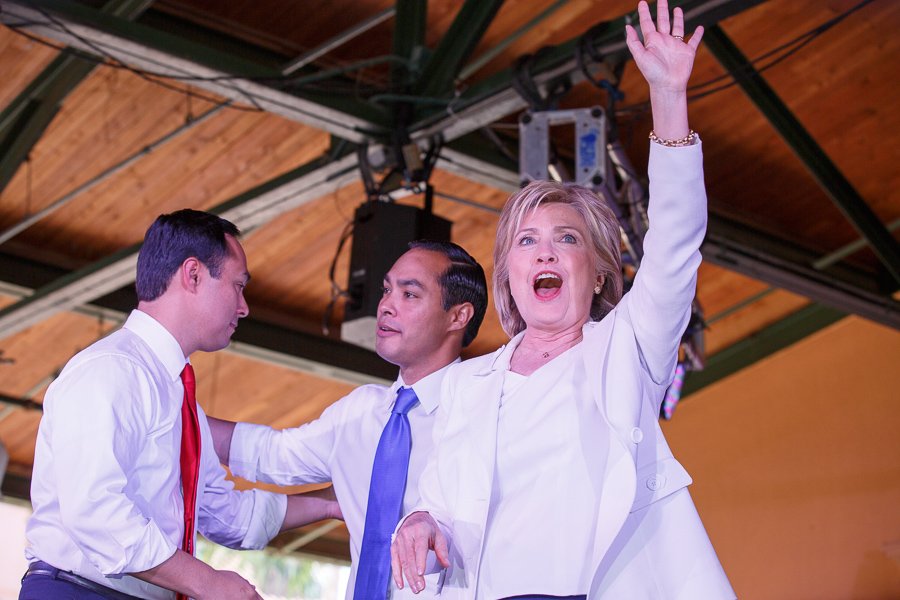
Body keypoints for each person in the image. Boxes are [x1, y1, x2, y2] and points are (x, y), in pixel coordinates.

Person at [390, 2, 736, 598]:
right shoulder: (465, 386)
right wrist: (421, 521)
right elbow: (443, 509)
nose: (545, 253)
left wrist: (667, 95)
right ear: (510, 274)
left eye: (566, 239)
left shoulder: (628, 349)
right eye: (527, 241)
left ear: (598, 274)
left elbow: (676, 242)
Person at [21, 209, 341, 600]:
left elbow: (226, 514)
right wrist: (207, 582)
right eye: (238, 286)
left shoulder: (176, 393)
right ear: (193, 274)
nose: (244, 307)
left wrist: (330, 503)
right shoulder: (111, 369)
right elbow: (94, 511)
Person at [207, 240, 488, 599]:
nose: (386, 305)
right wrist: (176, 411)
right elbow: (271, 455)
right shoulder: (358, 412)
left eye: (409, 294)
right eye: (386, 290)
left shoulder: (483, 416)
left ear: (458, 316)